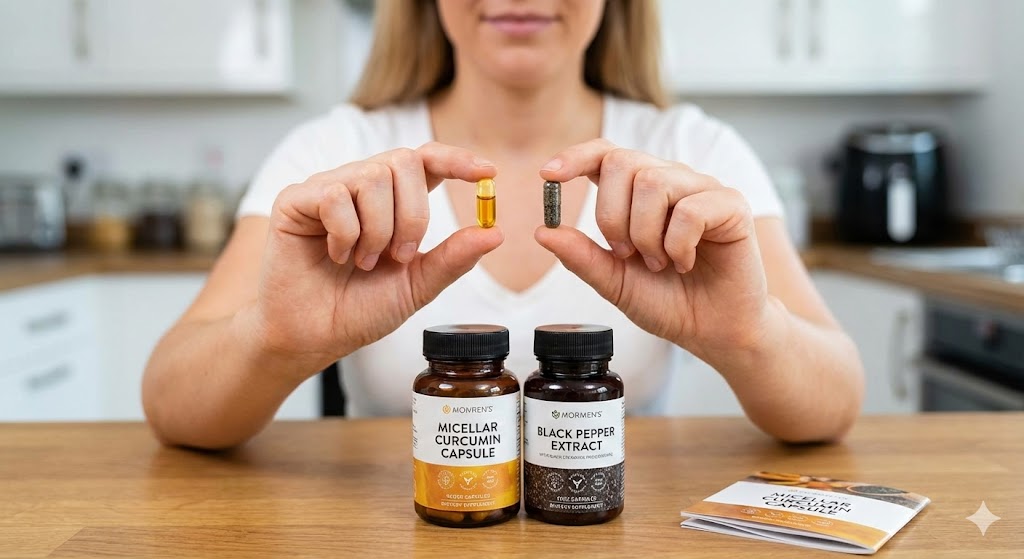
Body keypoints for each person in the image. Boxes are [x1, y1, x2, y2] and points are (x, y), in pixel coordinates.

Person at [142, 0, 864, 450]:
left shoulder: (694, 151)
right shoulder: (333, 152)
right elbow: (173, 401)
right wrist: (270, 340)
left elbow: (836, 399)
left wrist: (748, 334)